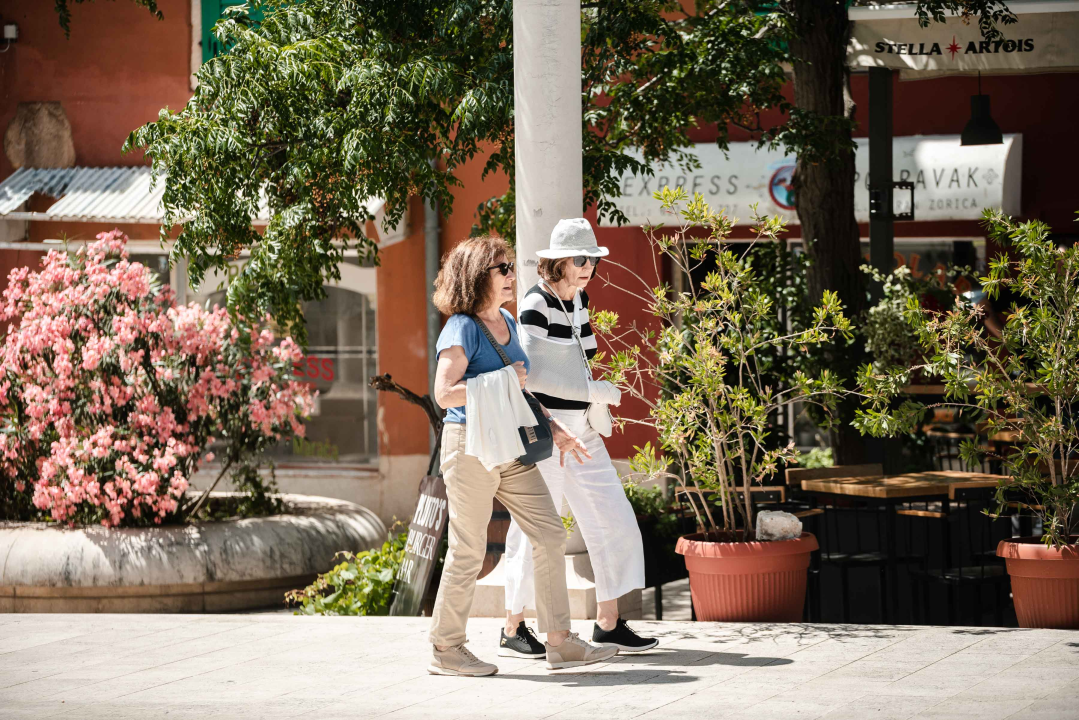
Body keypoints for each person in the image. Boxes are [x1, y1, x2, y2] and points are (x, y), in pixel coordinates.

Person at [428, 235, 618, 677]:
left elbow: (524, 392)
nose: (514, 275)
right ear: (478, 276)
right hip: (470, 445)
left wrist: (556, 429)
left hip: (510, 447)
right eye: (504, 269)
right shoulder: (462, 328)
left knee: (550, 533)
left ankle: (559, 641)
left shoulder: (509, 324)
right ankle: (446, 647)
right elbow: (444, 393)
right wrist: (501, 382)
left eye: (512, 267)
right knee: (468, 550)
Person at [499, 218, 657, 660]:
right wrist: (594, 392)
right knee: (532, 531)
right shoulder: (535, 301)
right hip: (548, 431)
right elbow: (536, 373)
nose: (588, 267)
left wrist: (594, 400)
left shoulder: (578, 299)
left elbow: (582, 360)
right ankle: (512, 628)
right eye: (581, 259)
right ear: (558, 262)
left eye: (593, 259)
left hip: (583, 428)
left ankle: (608, 623)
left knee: (615, 518)